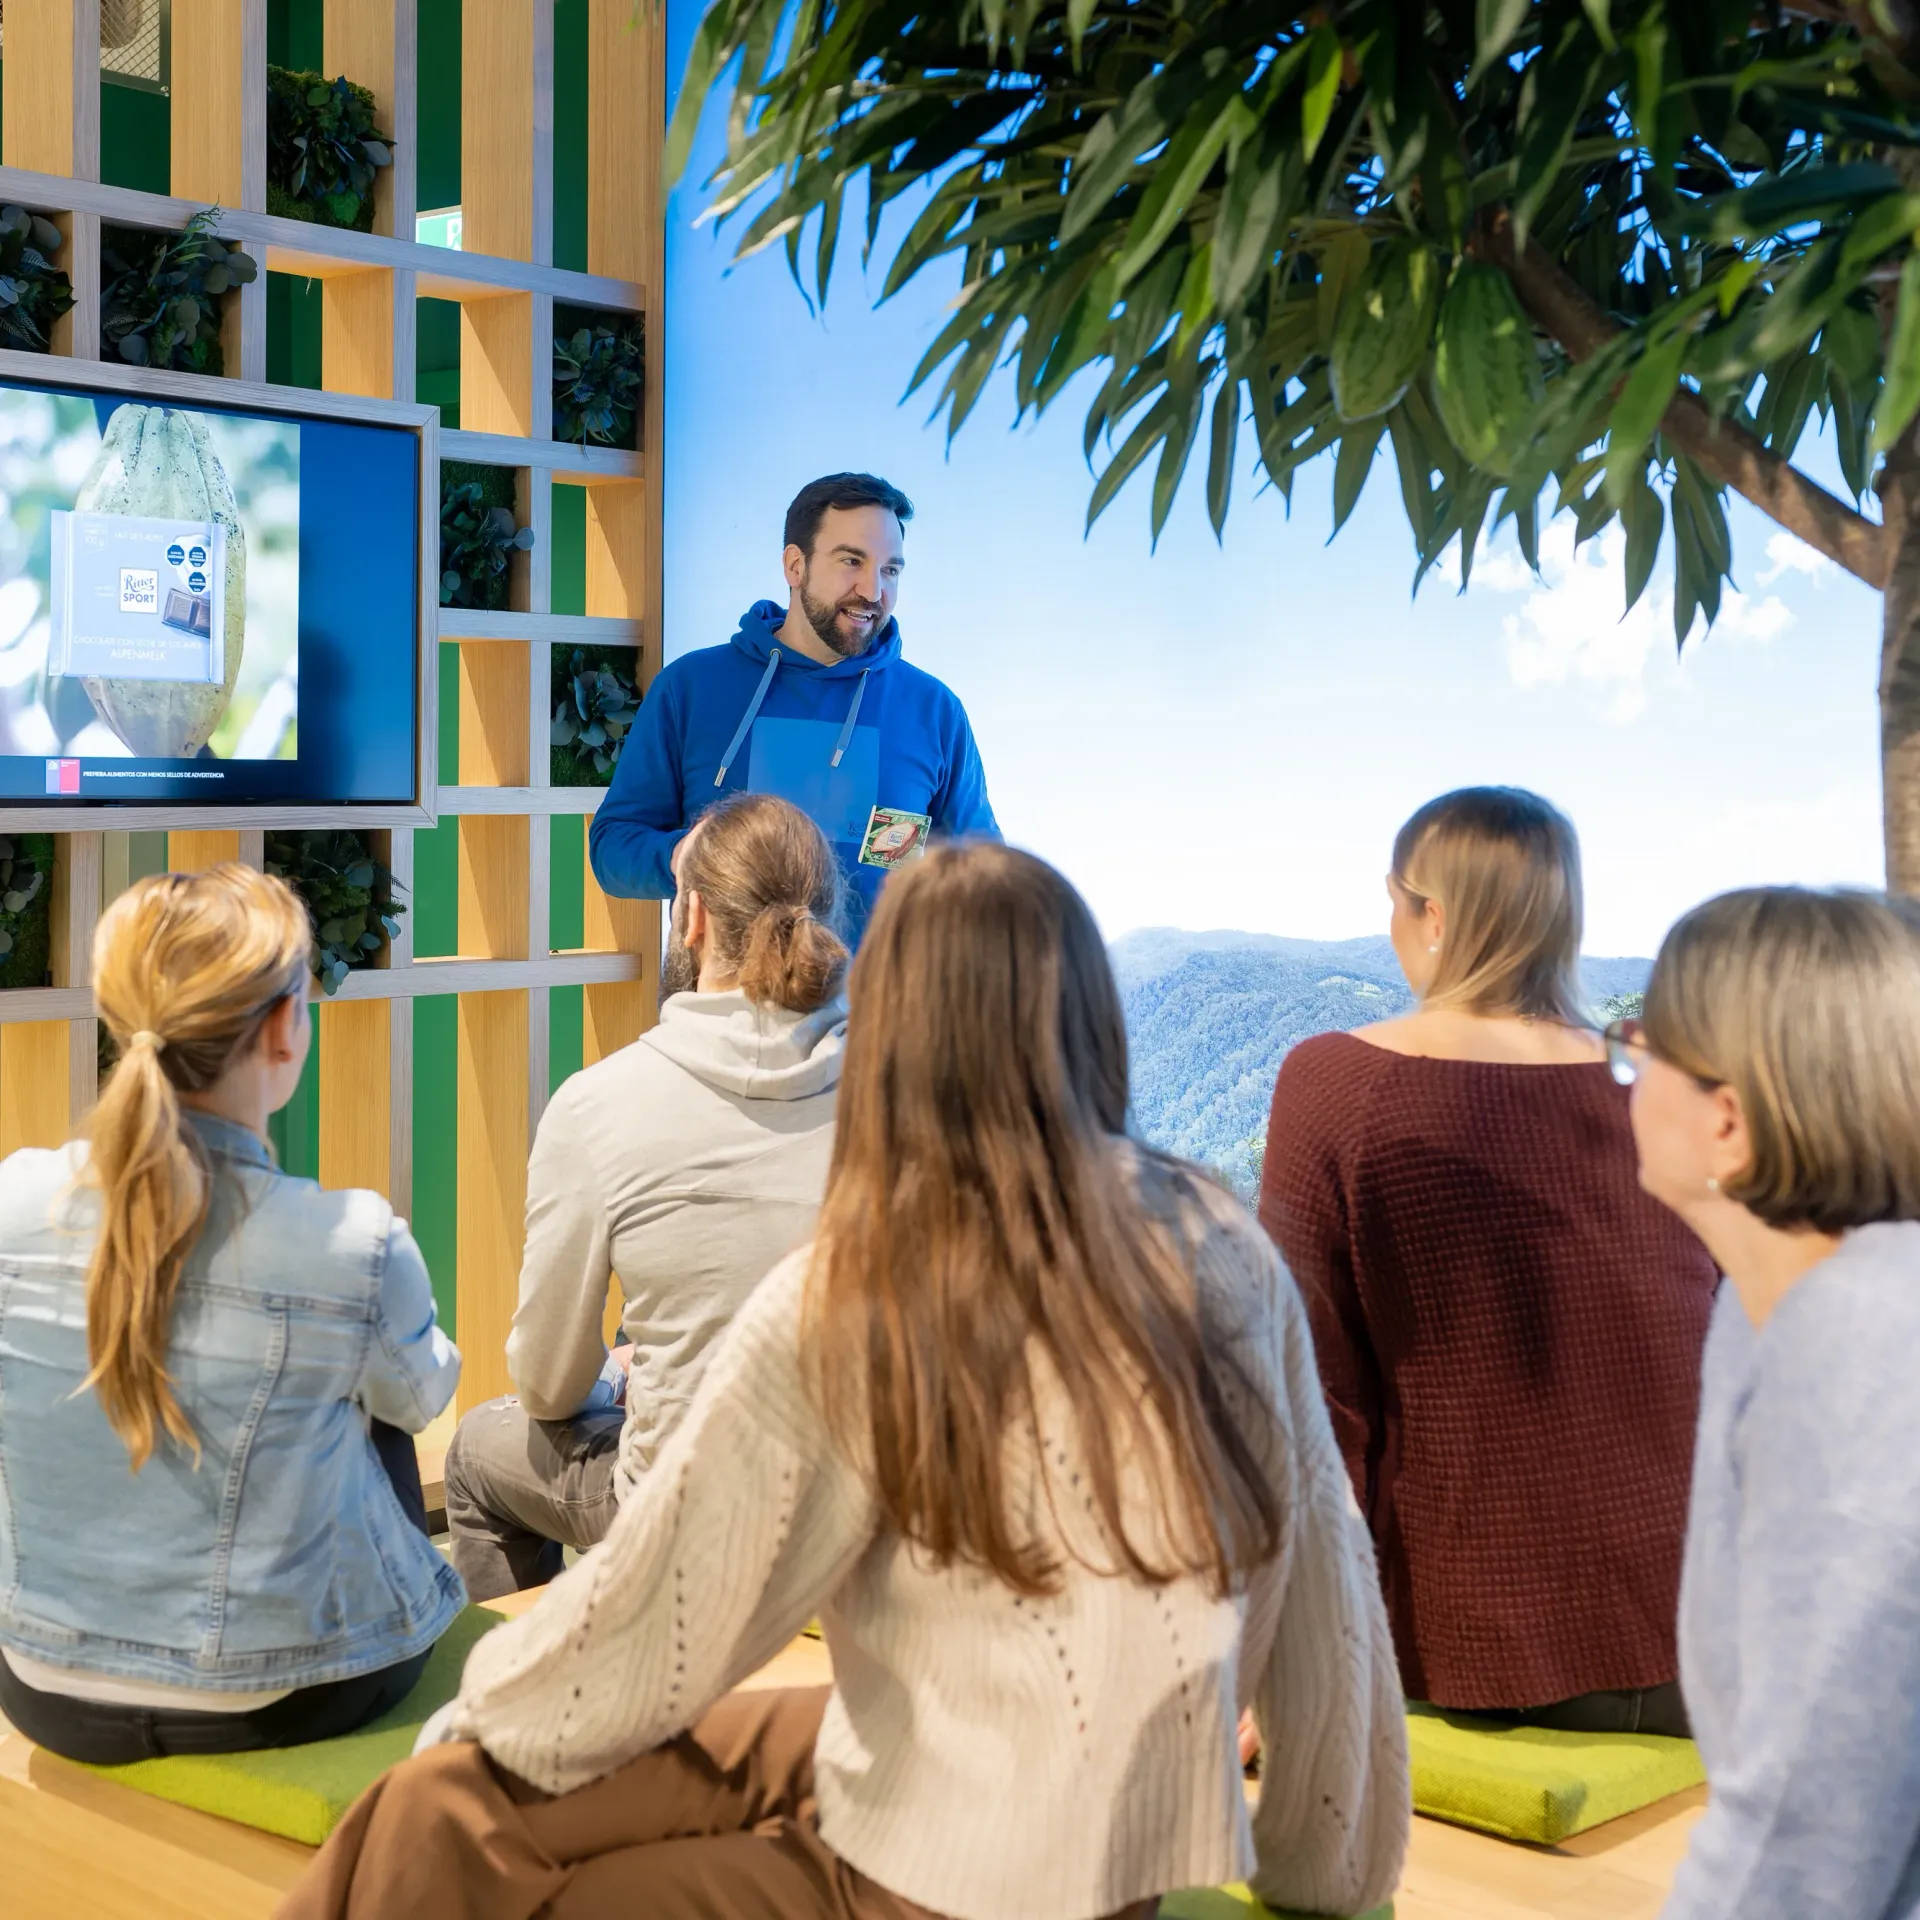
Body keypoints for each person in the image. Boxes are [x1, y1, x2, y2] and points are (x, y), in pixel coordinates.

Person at [282, 844, 1409, 1920]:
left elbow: (664, 1623)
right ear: (1092, 1019)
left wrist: (473, 1726)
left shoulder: (861, 1291)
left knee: (455, 1843)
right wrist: (1331, 1859)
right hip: (1051, 1809)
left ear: (892, 1035)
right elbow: (1319, 1555)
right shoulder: (1216, 1237)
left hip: (945, 1880)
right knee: (444, 1810)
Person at [1259, 786, 1717, 1733]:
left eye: (1394, 902)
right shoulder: (1668, 1083)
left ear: (1431, 917)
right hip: (1707, 1639)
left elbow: (1311, 1402)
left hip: (1466, 1651)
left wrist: (1282, 1650)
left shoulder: (1335, 1083)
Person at [0, 866, 463, 1765]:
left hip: (42, 1685)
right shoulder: (351, 1241)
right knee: (372, 1405)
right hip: (289, 1691)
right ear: (288, 1026)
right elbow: (425, 1399)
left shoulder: (11, 1197)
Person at [443, 792, 850, 1600]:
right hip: (865, 1518)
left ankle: (538, 1699)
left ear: (691, 916)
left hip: (690, 1524)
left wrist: (627, 1378)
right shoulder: (903, 1089)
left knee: (477, 1451)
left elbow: (548, 1386)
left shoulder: (600, 1103)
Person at [1608, 887, 1920, 1920]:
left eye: (1643, 1049)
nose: (1627, 1075)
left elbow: (1806, 1823)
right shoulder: (1763, 1307)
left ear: (1727, 1122)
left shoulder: (1860, 1338)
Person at [588, 472, 999, 947]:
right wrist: (684, 855)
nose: (872, 590)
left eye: (891, 570)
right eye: (852, 561)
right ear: (795, 565)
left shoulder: (934, 712)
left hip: (880, 1012)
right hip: (726, 1012)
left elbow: (984, 876)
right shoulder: (692, 688)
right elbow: (613, 850)